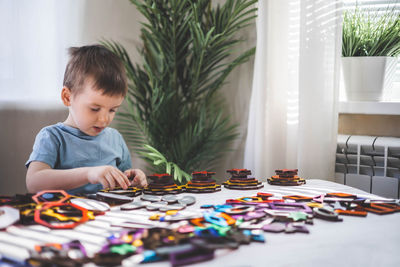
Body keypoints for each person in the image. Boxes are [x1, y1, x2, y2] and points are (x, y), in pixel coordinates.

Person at [26, 45, 147, 194]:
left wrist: (134, 180)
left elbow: (124, 185)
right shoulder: (52, 137)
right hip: (64, 216)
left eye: (112, 110)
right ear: (67, 97)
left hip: (108, 215)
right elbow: (33, 182)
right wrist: (89, 174)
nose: (104, 119)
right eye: (94, 109)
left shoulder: (116, 139)